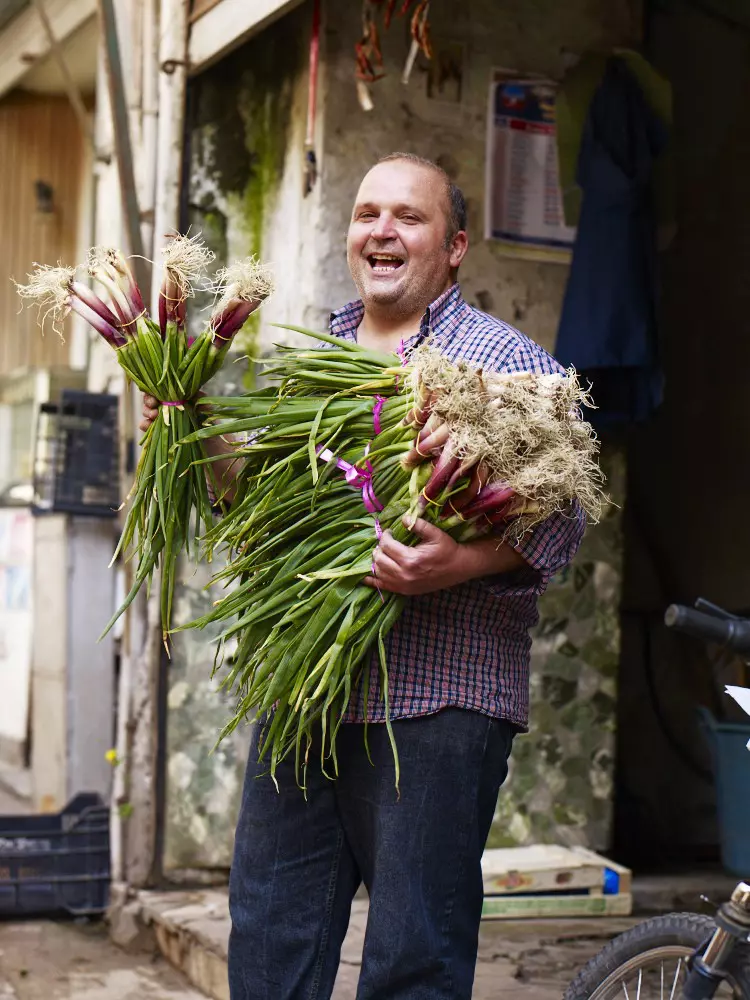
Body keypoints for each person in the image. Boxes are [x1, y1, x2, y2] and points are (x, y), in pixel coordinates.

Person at [141, 152, 585, 1000]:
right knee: (271, 935)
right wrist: (195, 437)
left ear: (454, 246)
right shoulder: (315, 352)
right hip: (304, 690)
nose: (381, 231)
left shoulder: (508, 366)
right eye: (367, 213)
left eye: (407, 217)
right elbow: (262, 506)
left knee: (412, 952)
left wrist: (457, 563)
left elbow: (563, 517)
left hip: (440, 699)